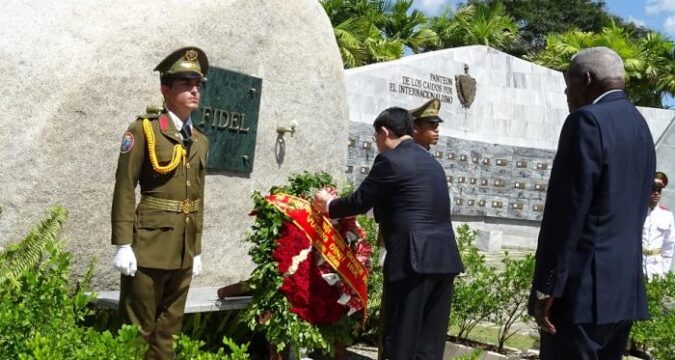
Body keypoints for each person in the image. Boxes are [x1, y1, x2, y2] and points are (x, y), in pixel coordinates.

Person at [528, 47, 655, 360]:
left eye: (568, 84)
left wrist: (547, 286)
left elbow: (567, 213)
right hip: (622, 292)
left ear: (586, 79)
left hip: (580, 292)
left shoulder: (586, 121)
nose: (566, 93)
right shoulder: (641, 127)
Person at [312, 107, 463, 360]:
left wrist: (328, 205)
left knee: (400, 338)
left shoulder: (391, 160)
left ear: (384, 132)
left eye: (376, 138)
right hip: (444, 260)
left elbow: (361, 201)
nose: (377, 144)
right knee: (428, 344)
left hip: (413, 262)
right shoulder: (432, 162)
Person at [111, 47, 209, 360]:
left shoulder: (201, 140)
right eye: (185, 83)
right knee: (136, 331)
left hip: (183, 250)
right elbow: (125, 187)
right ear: (165, 89)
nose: (194, 90)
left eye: (198, 84)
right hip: (148, 247)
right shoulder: (145, 130)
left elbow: (198, 198)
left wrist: (197, 248)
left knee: (169, 332)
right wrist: (123, 243)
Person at [642, 171, 675, 279]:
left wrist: (664, 273)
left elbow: (669, 246)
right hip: (637, 264)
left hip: (655, 267)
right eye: (653, 189)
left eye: (659, 190)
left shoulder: (667, 215)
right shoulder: (637, 213)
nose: (656, 193)